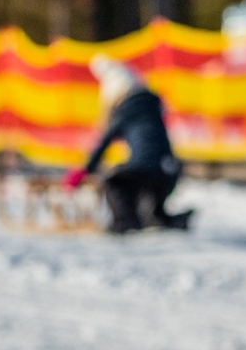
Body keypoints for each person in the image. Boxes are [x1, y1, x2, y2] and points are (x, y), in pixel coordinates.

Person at [66, 56, 192, 234]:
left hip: (142, 170)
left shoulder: (125, 110)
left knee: (115, 182)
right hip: (168, 171)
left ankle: (126, 221)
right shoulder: (154, 106)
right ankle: (162, 217)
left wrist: (85, 170)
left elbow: (103, 144)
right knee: (147, 191)